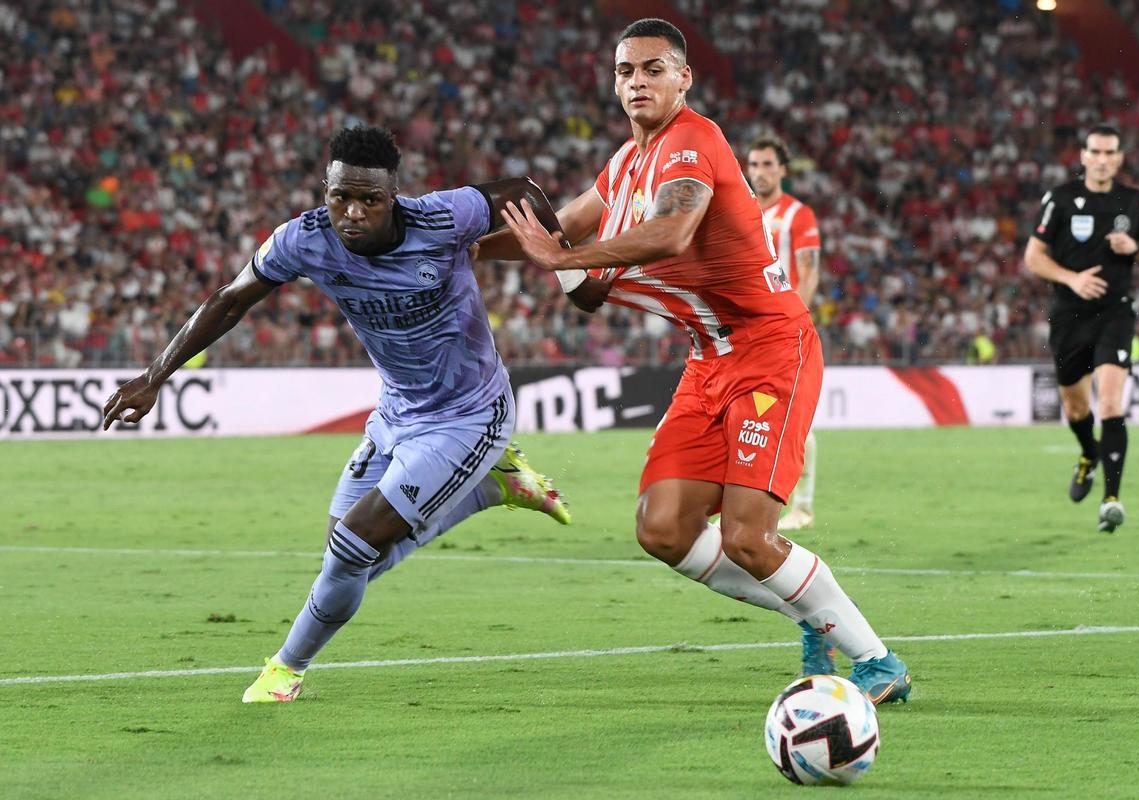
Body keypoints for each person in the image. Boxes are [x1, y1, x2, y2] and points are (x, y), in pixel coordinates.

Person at [486, 19, 910, 702]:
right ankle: (814, 616)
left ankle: (878, 661)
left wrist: (562, 258)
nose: (637, 82)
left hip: (772, 349)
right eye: (626, 71)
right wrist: (454, 250)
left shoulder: (696, 141)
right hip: (707, 361)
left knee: (748, 536)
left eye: (653, 69)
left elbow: (672, 229)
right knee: (662, 528)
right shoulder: (622, 166)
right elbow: (551, 230)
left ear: (684, 77)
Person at [102, 125, 571, 703]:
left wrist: (568, 267)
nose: (352, 213)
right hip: (397, 411)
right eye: (339, 196)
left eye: (369, 200)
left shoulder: (444, 218)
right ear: (325, 190)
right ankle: (491, 488)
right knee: (344, 555)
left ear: (392, 197)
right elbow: (230, 300)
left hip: (469, 414)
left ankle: (285, 670)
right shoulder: (304, 239)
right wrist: (155, 376)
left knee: (353, 547)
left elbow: (521, 190)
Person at [1024, 124, 1139, 533]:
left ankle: (1111, 499)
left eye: (1110, 153)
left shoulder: (1134, 201)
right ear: (1083, 156)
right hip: (1069, 312)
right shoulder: (1061, 198)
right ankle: (1089, 453)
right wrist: (1072, 279)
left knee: (1111, 404)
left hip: (1116, 313)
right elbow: (1033, 257)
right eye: (1096, 152)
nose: (1103, 160)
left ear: (1119, 158)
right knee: (1076, 407)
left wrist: (1135, 249)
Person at [746, 137, 821, 531]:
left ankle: (803, 507)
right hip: (746, 331)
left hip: (783, 330)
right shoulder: (741, 211)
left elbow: (808, 271)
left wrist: (795, 321)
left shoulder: (798, 215)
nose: (759, 171)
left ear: (782, 170)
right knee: (748, 414)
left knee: (792, 418)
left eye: (767, 164)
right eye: (754, 164)